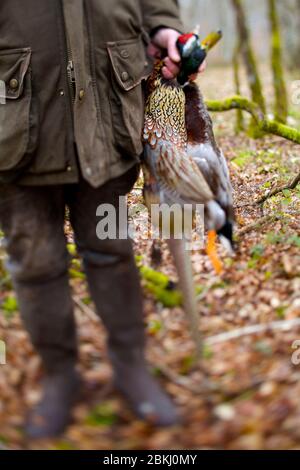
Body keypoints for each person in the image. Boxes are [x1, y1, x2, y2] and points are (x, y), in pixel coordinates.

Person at [0, 0, 205, 438]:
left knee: (113, 250)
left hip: (109, 124)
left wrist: (166, 30)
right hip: (12, 128)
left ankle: (131, 368)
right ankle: (60, 377)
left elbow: (155, 5)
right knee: (35, 265)